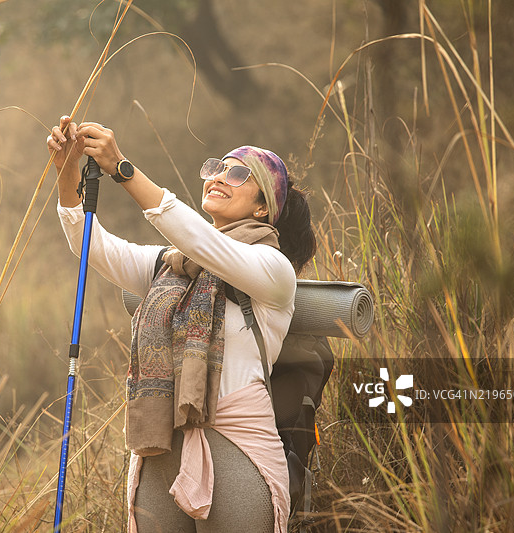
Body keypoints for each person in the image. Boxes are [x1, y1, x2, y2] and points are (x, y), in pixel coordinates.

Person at [47, 115, 317, 533]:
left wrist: (123, 169)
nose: (220, 177)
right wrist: (67, 176)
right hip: (163, 439)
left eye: (239, 173)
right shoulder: (171, 265)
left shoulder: (272, 269)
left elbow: (201, 241)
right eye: (216, 168)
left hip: (238, 443)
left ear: (264, 207)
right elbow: (91, 246)